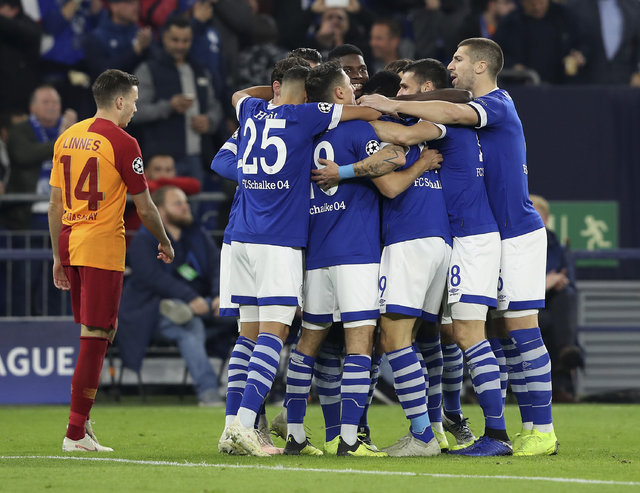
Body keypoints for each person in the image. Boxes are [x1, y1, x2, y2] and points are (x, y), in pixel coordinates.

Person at [359, 37, 558, 457]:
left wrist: (372, 109)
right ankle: (514, 429)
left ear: (482, 65)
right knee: (494, 332)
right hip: (487, 233)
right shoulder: (467, 116)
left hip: (512, 232)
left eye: (459, 58)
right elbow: (445, 109)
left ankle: (532, 431)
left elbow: (447, 112)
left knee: (511, 330)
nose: (452, 64)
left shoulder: (495, 104)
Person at [222, 64, 380, 457]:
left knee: (248, 334)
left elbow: (239, 94)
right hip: (277, 241)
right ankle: (244, 425)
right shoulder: (307, 116)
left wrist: (273, 92)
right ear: (307, 95)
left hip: (241, 237)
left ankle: (230, 427)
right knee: (273, 334)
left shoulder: (250, 112)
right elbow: (366, 112)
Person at [49, 69, 174, 452]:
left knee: (101, 332)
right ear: (119, 101)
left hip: (71, 242)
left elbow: (55, 205)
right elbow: (146, 206)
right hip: (101, 246)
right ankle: (74, 433)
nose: (135, 108)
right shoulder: (122, 142)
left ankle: (82, 425)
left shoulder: (67, 137)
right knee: (95, 335)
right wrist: (164, 241)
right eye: (134, 101)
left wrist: (57, 257)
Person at [117, 185, 226, 406]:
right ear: (160, 210)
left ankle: (258, 390)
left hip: (202, 306)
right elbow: (153, 278)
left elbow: (218, 265)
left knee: (243, 316)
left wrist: (218, 295)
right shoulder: (143, 240)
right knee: (190, 325)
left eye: (185, 202)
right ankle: (209, 392)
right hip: (151, 313)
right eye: (178, 204)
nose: (186, 207)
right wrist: (190, 298)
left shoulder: (197, 234)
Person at [134, 15, 222, 185]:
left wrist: (209, 120)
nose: (180, 46)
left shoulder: (200, 70)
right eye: (175, 40)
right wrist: (169, 106)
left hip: (196, 158)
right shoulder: (148, 70)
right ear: (164, 38)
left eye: (185, 41)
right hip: (162, 162)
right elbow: (135, 112)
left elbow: (215, 106)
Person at [530, 194, 583, 402]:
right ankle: (559, 379)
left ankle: (565, 356)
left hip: (552, 306)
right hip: (525, 307)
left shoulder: (558, 249)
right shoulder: (514, 245)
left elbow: (568, 281)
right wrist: (544, 284)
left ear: (545, 219)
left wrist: (558, 283)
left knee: (566, 295)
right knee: (552, 324)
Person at [5, 86, 77, 231]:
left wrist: (76, 134)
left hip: (67, 213)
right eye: (46, 102)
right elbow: (24, 155)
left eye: (55, 102)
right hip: (28, 213)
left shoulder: (72, 130)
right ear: (32, 107)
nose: (52, 106)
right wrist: (63, 139)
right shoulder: (19, 130)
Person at [493, 0, 584, 84]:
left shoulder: (564, 16)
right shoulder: (509, 23)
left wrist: (579, 54)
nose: (537, 7)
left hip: (562, 85)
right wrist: (512, 65)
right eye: (532, 4)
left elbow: (584, 41)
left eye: (541, 3)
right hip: (523, 86)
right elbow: (494, 53)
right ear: (523, 2)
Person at [567, 0, 640, 86]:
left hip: (624, 84)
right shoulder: (574, 6)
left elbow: (636, 42)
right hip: (586, 84)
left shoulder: (633, 7)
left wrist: (637, 72)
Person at [82, 0, 152, 81]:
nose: (136, 7)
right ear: (114, 6)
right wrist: (135, 52)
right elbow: (103, 73)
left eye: (137, 2)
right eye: (130, 2)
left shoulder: (142, 34)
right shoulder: (97, 38)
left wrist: (146, 48)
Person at [0, 0, 42, 115]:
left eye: (1, 6)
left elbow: (17, 29)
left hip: (21, 94)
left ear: (14, 9)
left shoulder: (28, 26)